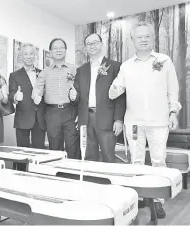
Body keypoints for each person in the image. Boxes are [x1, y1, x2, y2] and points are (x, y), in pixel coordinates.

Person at [109, 22, 181, 218]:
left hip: (159, 121)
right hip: (133, 122)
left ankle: (157, 201)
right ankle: (140, 197)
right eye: (139, 37)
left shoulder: (164, 60)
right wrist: (114, 89)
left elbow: (172, 90)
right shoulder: (126, 65)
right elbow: (116, 89)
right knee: (137, 161)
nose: (143, 39)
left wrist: (173, 112)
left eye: (147, 36)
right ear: (132, 41)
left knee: (159, 161)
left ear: (152, 38)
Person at [69, 33, 125, 162]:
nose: (92, 46)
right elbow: (76, 93)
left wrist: (119, 119)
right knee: (88, 156)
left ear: (101, 44)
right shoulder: (81, 70)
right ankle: (91, 180)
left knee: (108, 155)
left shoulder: (115, 66)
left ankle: (109, 181)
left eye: (95, 42)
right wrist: (72, 96)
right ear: (85, 48)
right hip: (86, 119)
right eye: (88, 44)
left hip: (107, 119)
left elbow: (120, 96)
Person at [33, 38, 78, 158]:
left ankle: (73, 174)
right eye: (55, 48)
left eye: (61, 48)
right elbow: (37, 88)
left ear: (65, 50)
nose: (58, 50)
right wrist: (36, 95)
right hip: (52, 113)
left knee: (72, 146)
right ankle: (58, 173)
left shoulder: (74, 69)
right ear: (50, 52)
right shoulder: (44, 72)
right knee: (55, 147)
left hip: (70, 112)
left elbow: (81, 90)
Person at [9, 43, 46, 150]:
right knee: (21, 153)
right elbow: (11, 94)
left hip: (40, 119)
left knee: (39, 152)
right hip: (22, 119)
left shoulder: (43, 73)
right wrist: (15, 97)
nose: (29, 56)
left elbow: (47, 92)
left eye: (31, 54)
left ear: (35, 55)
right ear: (21, 56)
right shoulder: (14, 75)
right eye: (26, 54)